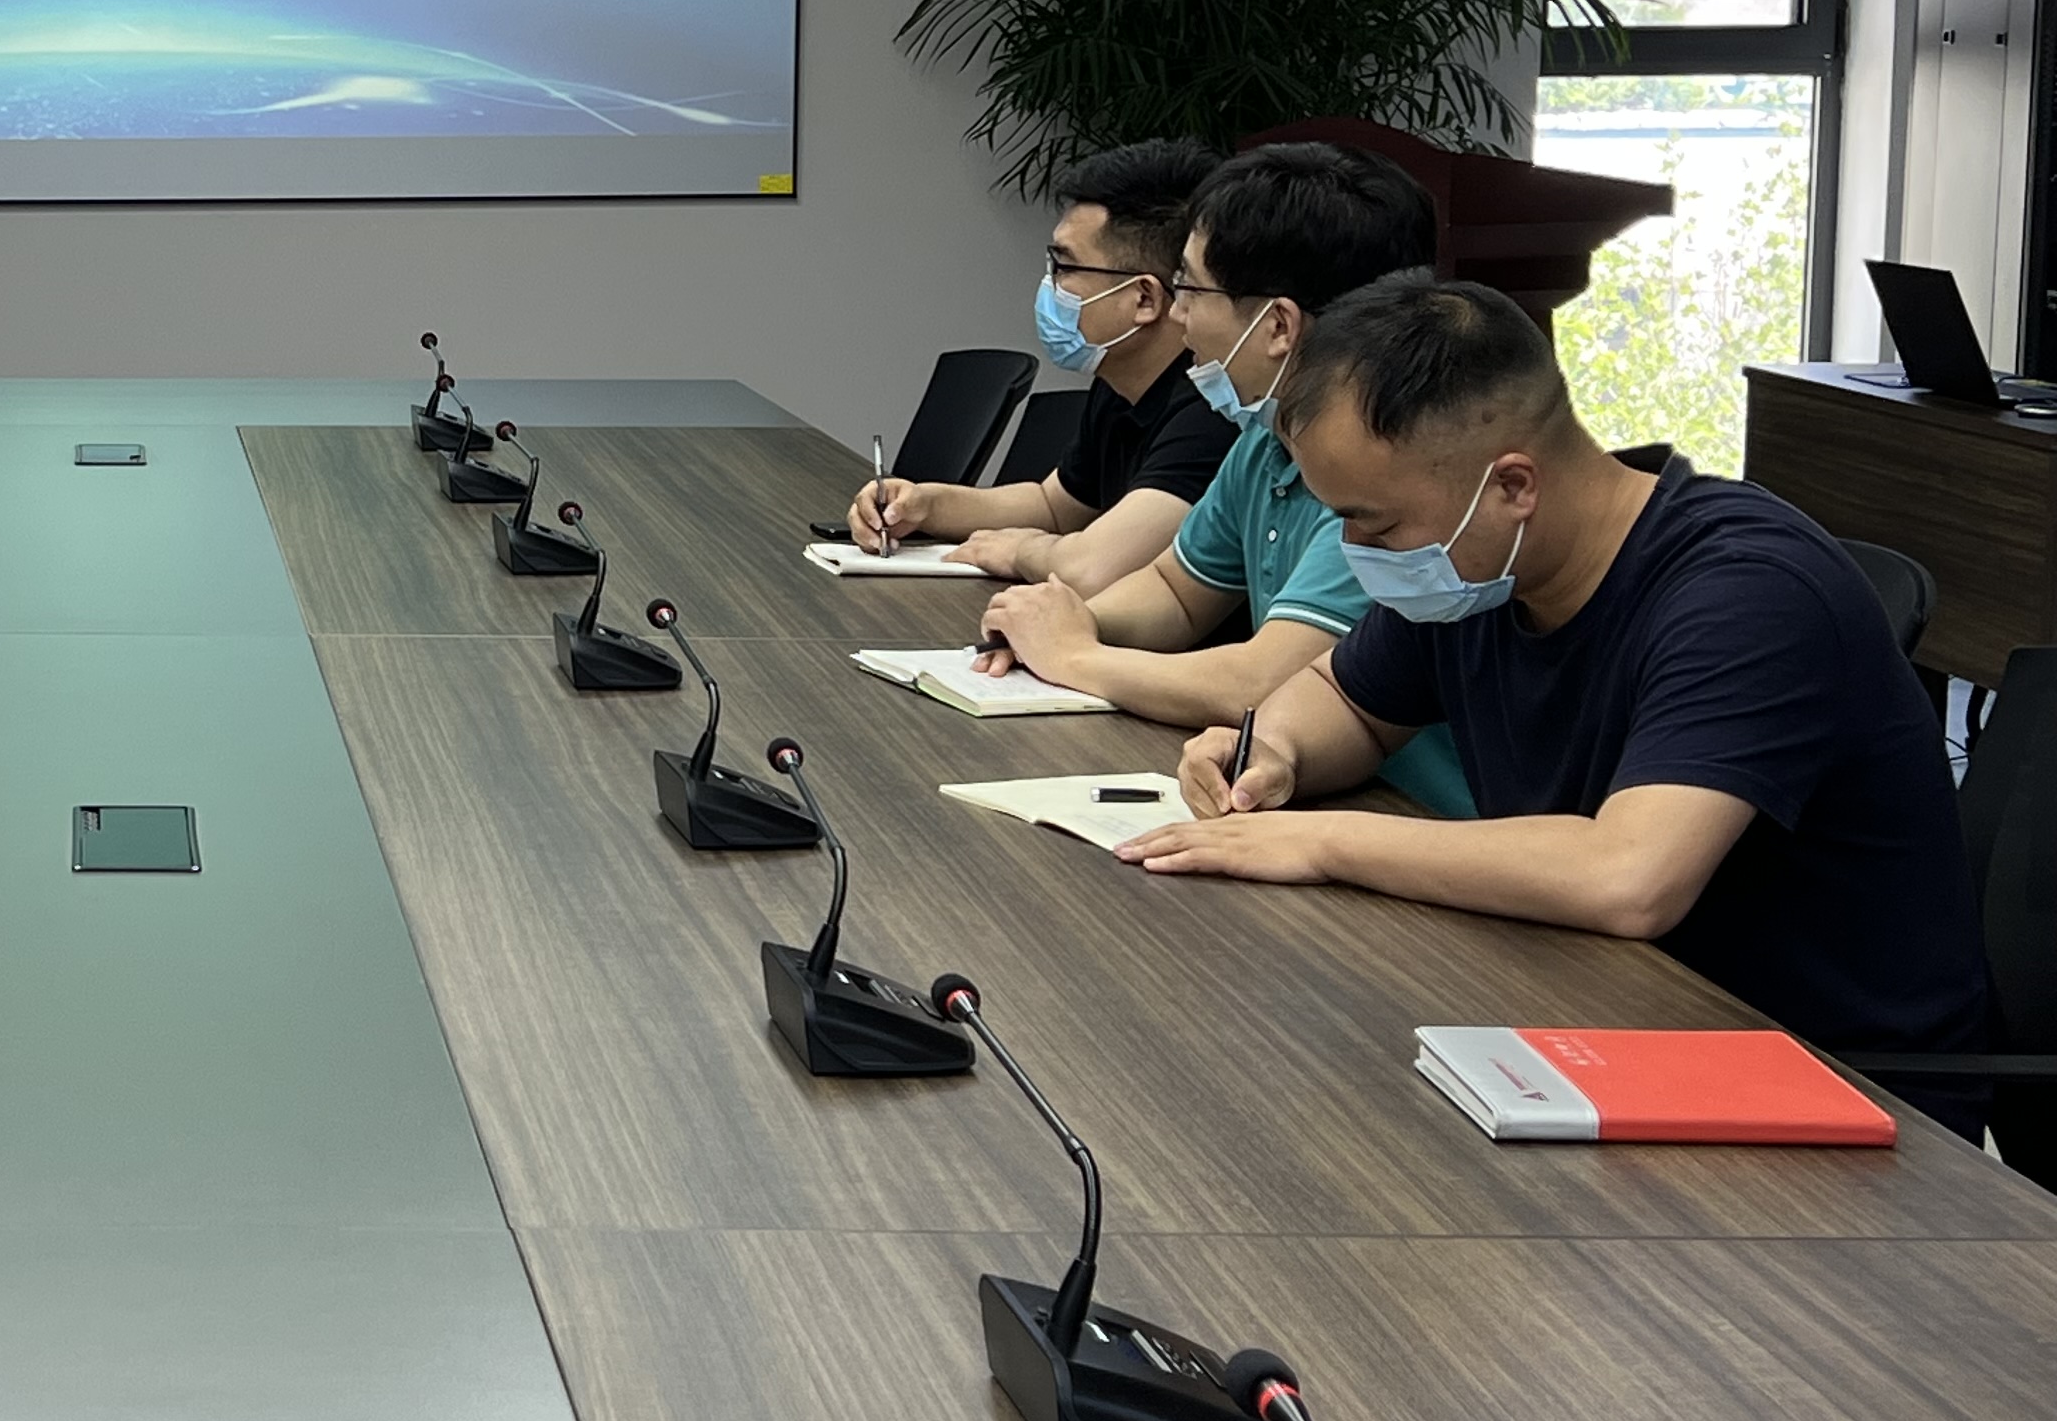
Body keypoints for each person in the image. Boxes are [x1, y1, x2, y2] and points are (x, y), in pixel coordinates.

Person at [1118, 277, 1994, 1119]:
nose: (1356, 550)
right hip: (1595, 1015)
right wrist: (1269, 751)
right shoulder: (1482, 570)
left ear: (1512, 486)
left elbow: (1629, 877)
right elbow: (1344, 701)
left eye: (1372, 523)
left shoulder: (1748, 593)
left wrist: (1319, 840)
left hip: (1827, 1086)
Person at [972, 140, 1476, 817]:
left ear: (1277, 325)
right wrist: (1062, 623)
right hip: (1306, 791)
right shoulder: (1267, 438)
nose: (1177, 315)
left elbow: (1263, 679)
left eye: (1190, 290)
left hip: (1417, 815)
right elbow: (1176, 593)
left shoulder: (1390, 477)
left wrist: (1076, 657)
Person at [854, 138, 1233, 591]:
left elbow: (1094, 566)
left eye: (1064, 268)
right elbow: (1053, 506)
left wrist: (1020, 551)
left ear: (1144, 299)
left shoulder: (1212, 410)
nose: (1050, 285)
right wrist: (923, 504)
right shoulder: (1122, 381)